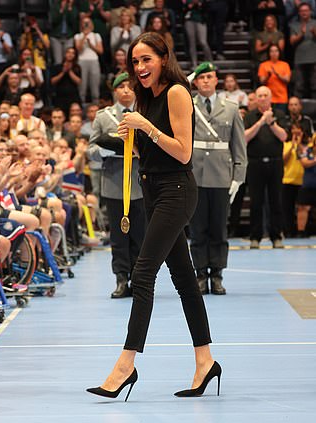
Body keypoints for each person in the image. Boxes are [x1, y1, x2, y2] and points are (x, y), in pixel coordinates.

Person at [87, 32, 220, 401]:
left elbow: (182, 152)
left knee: (142, 274)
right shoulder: (146, 98)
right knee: (185, 280)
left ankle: (125, 367)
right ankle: (206, 361)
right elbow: (152, 149)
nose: (140, 67)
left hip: (177, 191)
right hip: (153, 191)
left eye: (147, 59)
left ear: (164, 58)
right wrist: (131, 135)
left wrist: (147, 128)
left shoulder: (178, 92)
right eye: (135, 61)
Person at [188, 62, 247, 295]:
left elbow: (239, 147)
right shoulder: (187, 106)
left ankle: (218, 274)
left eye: (209, 77)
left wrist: (238, 177)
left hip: (222, 176)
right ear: (195, 82)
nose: (205, 81)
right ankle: (200, 274)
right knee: (198, 228)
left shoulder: (230, 108)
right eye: (201, 78)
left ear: (216, 81)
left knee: (219, 229)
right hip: (195, 174)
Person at [88, 72, 145, 298]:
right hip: (113, 182)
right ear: (115, 91)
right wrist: (106, 149)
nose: (126, 91)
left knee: (140, 235)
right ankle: (121, 278)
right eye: (121, 87)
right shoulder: (104, 117)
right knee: (118, 236)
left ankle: (140, 279)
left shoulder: (143, 113)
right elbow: (90, 151)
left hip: (140, 183)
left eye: (130, 87)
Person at [244, 85, 288, 249]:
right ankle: (255, 237)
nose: (262, 98)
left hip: (276, 163)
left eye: (265, 95)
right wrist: (261, 121)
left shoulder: (280, 115)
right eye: (259, 95)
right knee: (256, 202)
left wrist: (271, 123)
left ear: (270, 98)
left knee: (276, 201)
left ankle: (276, 236)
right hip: (255, 163)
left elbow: (284, 136)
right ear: (256, 98)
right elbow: (244, 137)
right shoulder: (249, 116)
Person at [282, 122, 307, 238]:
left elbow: (306, 155)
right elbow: (283, 160)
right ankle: (288, 231)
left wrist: (299, 143)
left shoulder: (307, 146)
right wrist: (292, 145)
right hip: (288, 180)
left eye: (298, 129)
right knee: (287, 208)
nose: (296, 132)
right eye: (294, 129)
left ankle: (301, 230)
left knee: (303, 207)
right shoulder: (286, 145)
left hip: (302, 180)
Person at [289, 2, 316, 99]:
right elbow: (292, 41)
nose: (304, 13)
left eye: (306, 10)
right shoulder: (294, 25)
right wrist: (301, 34)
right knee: (299, 86)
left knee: (314, 84)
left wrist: (314, 33)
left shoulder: (315, 23)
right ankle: (297, 108)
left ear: (310, 12)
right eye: (302, 11)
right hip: (300, 59)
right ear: (299, 13)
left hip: (314, 58)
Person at [74, 16, 104, 104]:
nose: (86, 24)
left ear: (91, 24)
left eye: (88, 22)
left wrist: (91, 45)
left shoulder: (96, 35)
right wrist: (84, 36)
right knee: (82, 87)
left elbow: (100, 50)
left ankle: (95, 106)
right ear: (81, 24)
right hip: (81, 61)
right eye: (84, 22)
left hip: (94, 61)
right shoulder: (78, 36)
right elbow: (78, 49)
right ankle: (82, 106)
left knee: (95, 87)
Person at [258, 44, 291, 114]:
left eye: (276, 51)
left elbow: (287, 80)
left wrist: (277, 74)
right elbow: (262, 81)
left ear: (279, 53)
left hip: (281, 99)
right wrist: (268, 76)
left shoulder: (285, 65)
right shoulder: (263, 65)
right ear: (269, 53)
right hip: (268, 99)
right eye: (272, 51)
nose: (274, 53)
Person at [50, 47, 83, 115]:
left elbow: (79, 81)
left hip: (73, 96)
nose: (70, 54)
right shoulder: (57, 67)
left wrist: (70, 71)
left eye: (72, 53)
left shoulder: (77, 67)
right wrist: (63, 72)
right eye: (68, 52)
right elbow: (52, 81)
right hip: (60, 96)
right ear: (65, 54)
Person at [296, 131, 316, 237]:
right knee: (303, 207)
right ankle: (301, 232)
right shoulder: (306, 150)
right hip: (308, 183)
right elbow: (304, 163)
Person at [183, 0, 213, 70]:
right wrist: (189, 6)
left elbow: (207, 7)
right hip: (189, 20)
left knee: (203, 42)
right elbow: (183, 8)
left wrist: (200, 4)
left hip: (201, 20)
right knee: (192, 43)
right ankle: (194, 64)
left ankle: (210, 62)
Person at [50, 0, 80, 65]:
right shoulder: (55, 6)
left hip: (68, 36)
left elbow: (73, 22)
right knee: (58, 61)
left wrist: (69, 8)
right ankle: (59, 74)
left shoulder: (73, 8)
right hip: (56, 37)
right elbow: (54, 20)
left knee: (68, 60)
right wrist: (61, 10)